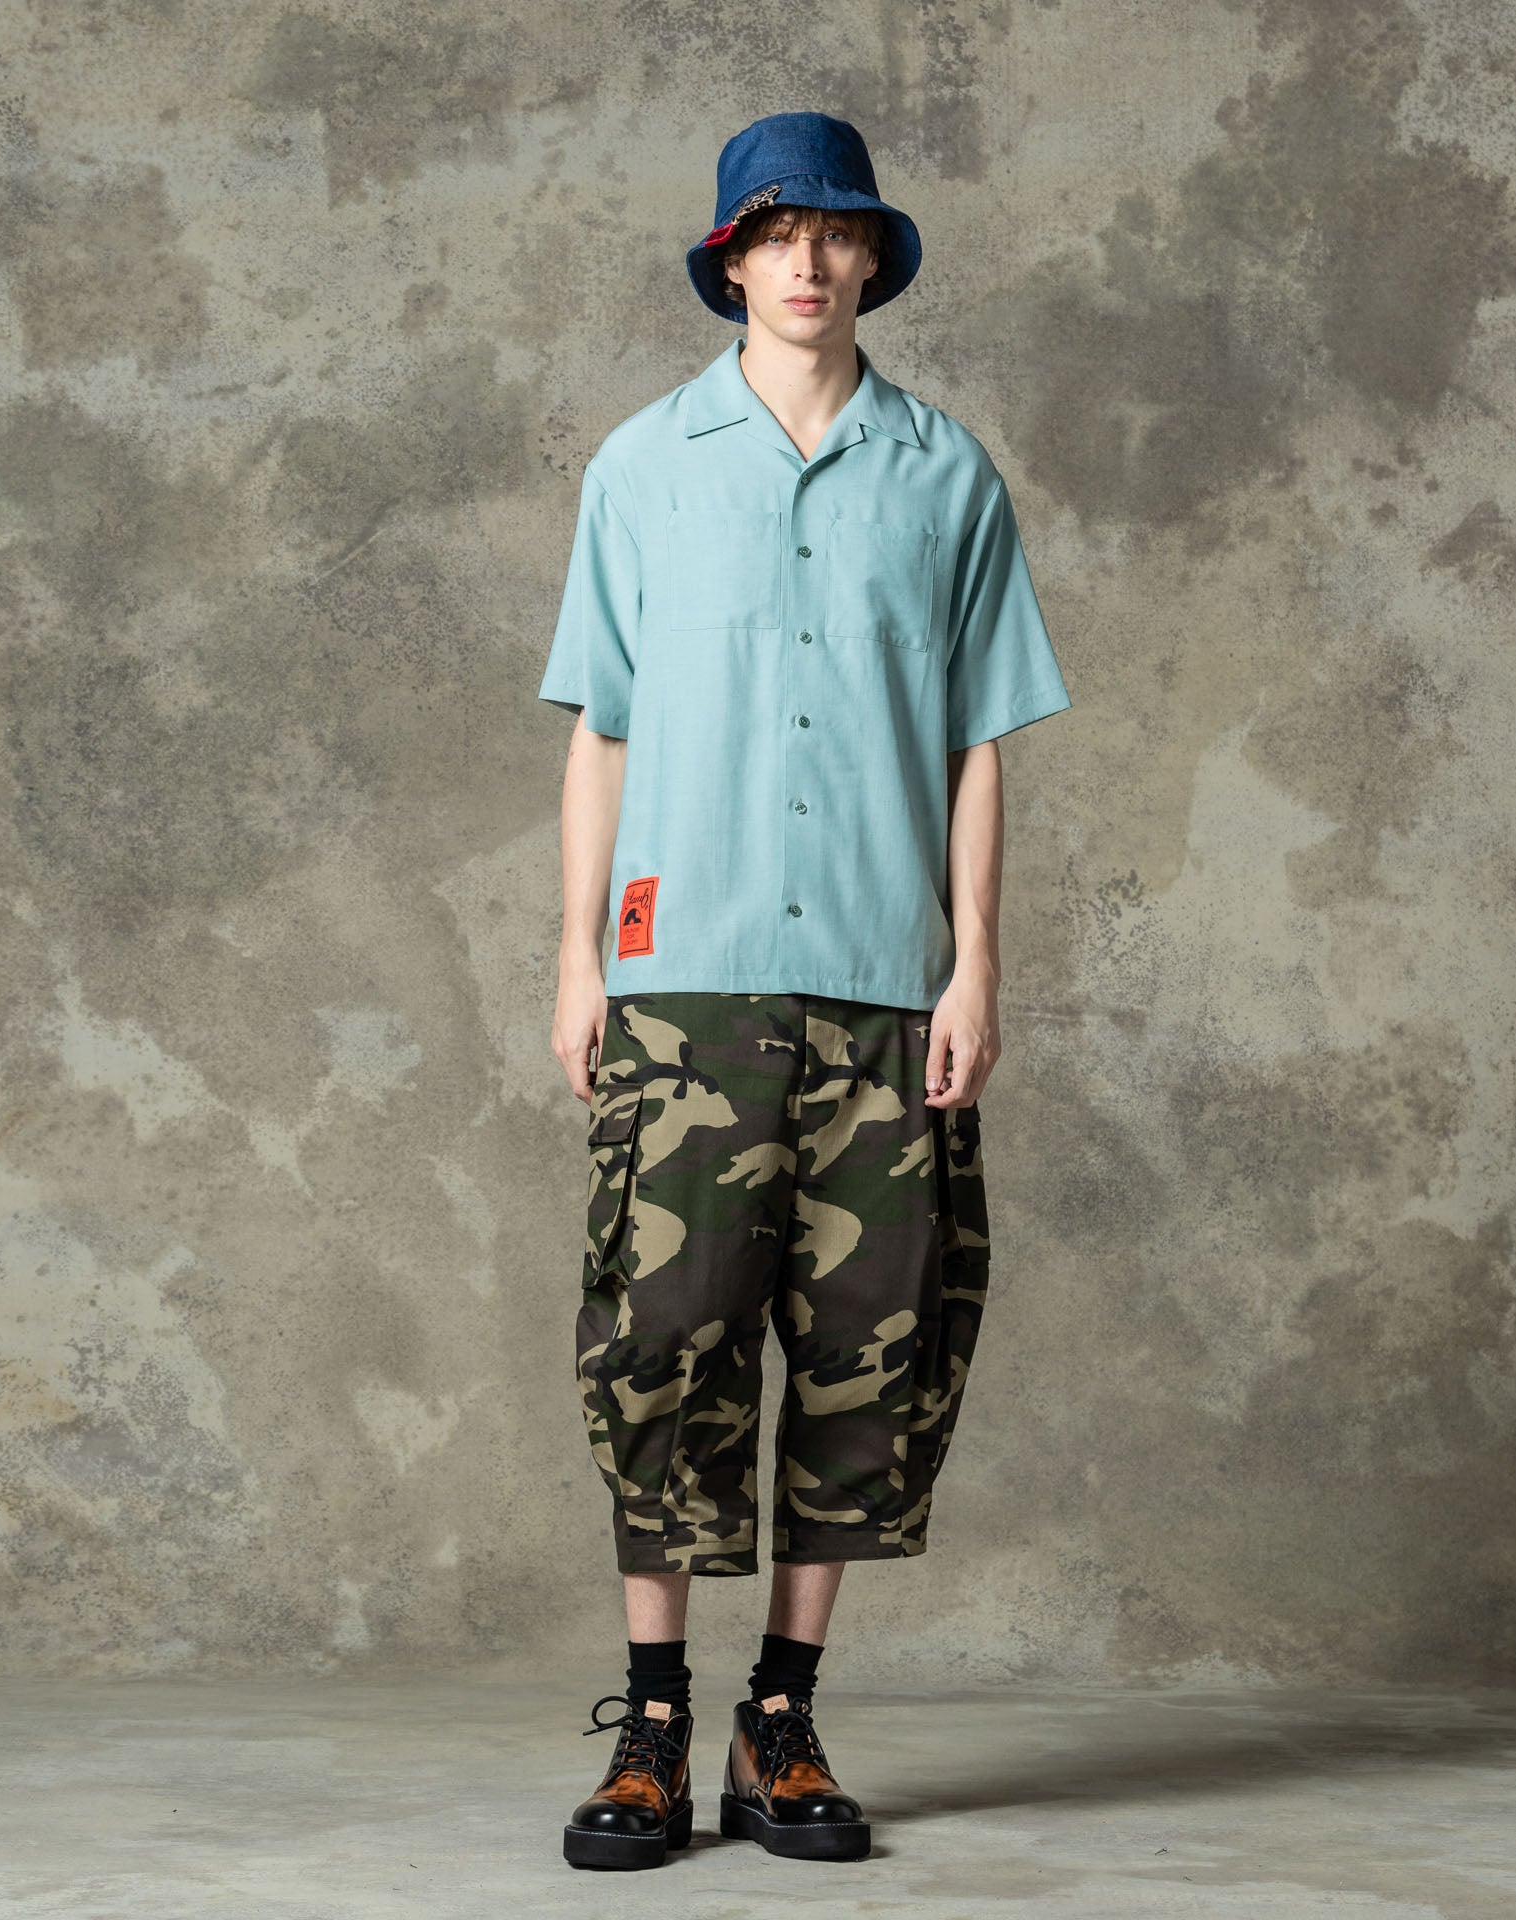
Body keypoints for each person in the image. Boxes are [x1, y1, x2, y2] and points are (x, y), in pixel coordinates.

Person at [538, 111, 1071, 1871]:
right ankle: (655, 1723)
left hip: (882, 993)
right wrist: (579, 957)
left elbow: (981, 740)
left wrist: (975, 963)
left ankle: (783, 1714)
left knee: (870, 1356)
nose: (808, 262)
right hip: (683, 986)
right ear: (730, 262)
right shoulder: (641, 467)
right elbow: (604, 732)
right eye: (775, 234)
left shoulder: (946, 475)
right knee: (661, 1347)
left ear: (872, 261)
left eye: (836, 233)